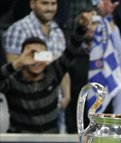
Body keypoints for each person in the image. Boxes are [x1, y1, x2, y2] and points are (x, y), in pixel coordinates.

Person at [0, 12, 94, 133]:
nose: (36, 61)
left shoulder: (53, 73)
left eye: (40, 55)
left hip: (50, 141)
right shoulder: (13, 80)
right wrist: (18, 63)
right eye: (31, 55)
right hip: (19, 142)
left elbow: (72, 51)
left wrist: (81, 28)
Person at [4, 0, 71, 131]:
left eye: (53, 4)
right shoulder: (19, 29)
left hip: (56, 108)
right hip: (27, 112)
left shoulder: (57, 31)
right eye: (45, 3)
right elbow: (11, 70)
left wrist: (66, 95)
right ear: (32, 4)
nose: (50, 8)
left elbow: (63, 68)